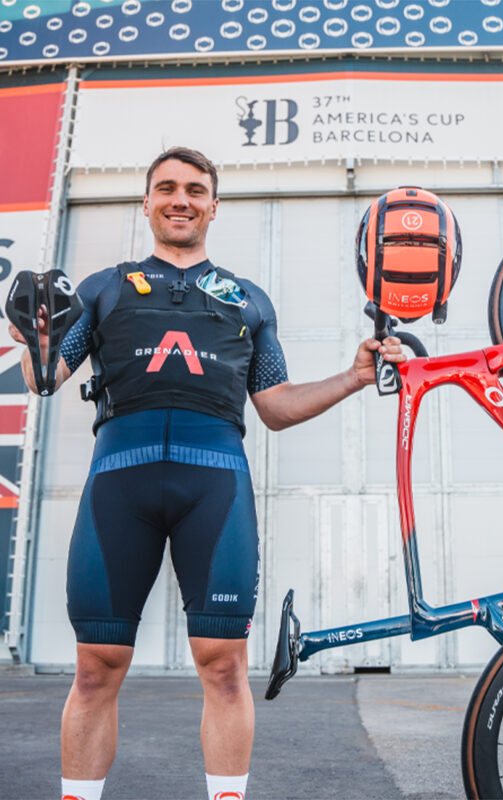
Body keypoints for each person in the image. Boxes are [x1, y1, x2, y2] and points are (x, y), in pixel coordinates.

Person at [9, 146, 406, 800]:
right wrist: (36, 337)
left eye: (195, 189)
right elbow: (44, 377)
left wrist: (355, 377)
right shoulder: (103, 288)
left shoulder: (249, 300)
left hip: (215, 488)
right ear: (147, 202)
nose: (181, 199)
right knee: (95, 670)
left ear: (213, 206)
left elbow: (275, 407)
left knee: (224, 668)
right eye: (167, 187)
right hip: (119, 487)